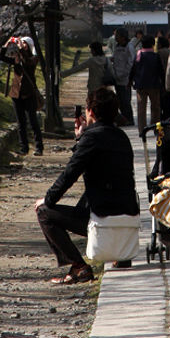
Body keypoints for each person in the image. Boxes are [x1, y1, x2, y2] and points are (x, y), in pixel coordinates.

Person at [35, 87, 139, 282]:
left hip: (101, 213)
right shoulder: (122, 137)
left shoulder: (91, 138)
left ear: (90, 111)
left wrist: (47, 200)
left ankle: (78, 266)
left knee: (43, 213)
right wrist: (81, 138)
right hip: (127, 212)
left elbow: (69, 174)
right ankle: (120, 257)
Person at [0, 35, 44, 155]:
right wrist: (6, 45)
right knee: (21, 123)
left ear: (29, 46)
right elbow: (1, 57)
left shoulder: (34, 58)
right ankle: (24, 147)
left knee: (33, 121)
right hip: (16, 93)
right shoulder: (17, 58)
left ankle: (39, 148)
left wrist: (21, 50)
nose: (22, 46)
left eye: (24, 44)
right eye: (21, 43)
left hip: (29, 93)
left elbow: (28, 63)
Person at [130, 35, 164, 134]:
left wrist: (130, 80)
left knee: (141, 109)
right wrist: (164, 84)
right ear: (153, 44)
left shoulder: (139, 55)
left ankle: (142, 130)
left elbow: (133, 69)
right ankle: (155, 127)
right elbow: (161, 71)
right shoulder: (155, 56)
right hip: (154, 85)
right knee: (155, 108)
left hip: (141, 85)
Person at [111, 28, 134, 126]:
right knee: (119, 100)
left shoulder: (129, 47)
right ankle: (123, 119)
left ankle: (129, 119)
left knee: (125, 100)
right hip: (117, 77)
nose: (115, 38)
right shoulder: (117, 46)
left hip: (125, 79)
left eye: (117, 36)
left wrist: (125, 74)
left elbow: (131, 62)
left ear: (123, 37)